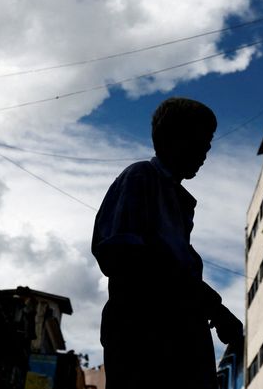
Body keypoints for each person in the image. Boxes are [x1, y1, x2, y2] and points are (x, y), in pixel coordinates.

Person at [91, 97, 243, 389]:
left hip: (180, 333)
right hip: (146, 334)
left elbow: (170, 266)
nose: (206, 152)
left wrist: (209, 307)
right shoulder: (141, 177)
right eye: (202, 140)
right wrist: (212, 305)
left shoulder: (178, 201)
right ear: (175, 137)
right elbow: (124, 255)